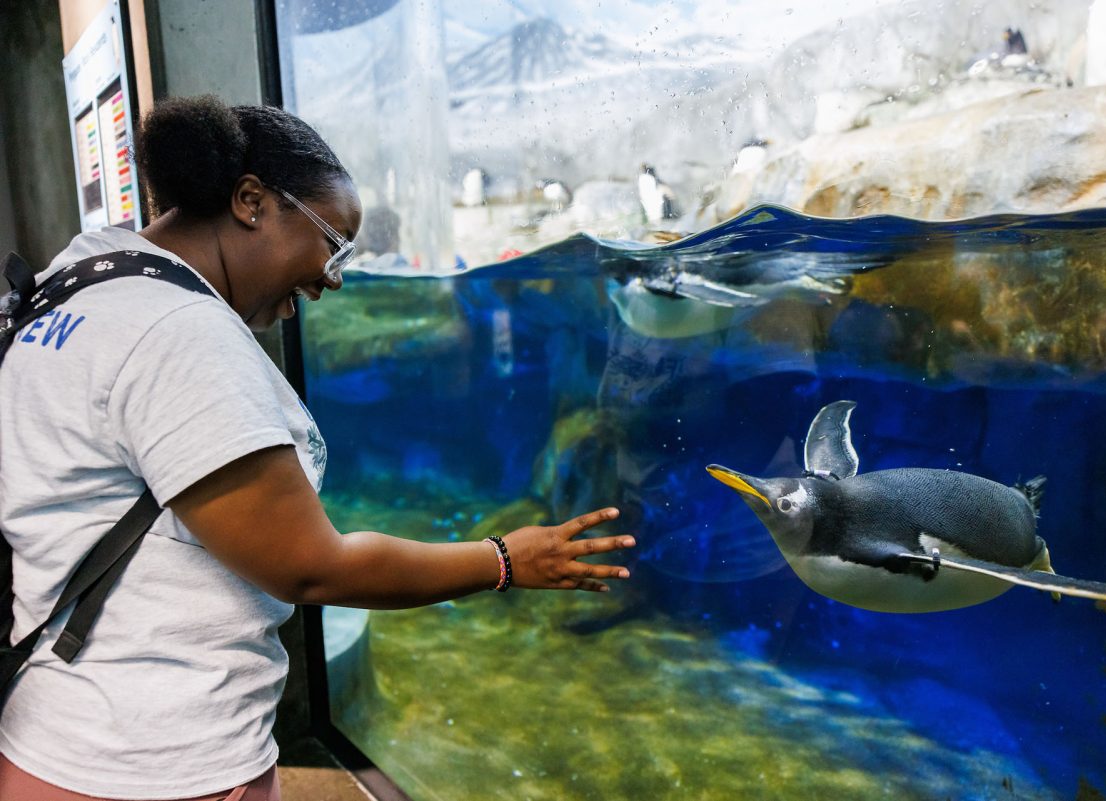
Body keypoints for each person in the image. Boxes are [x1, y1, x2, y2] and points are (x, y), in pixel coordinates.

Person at [0, 95, 634, 800]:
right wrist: (506, 560)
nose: (332, 279)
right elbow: (311, 567)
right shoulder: (180, 333)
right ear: (251, 202)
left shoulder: (75, 283)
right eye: (334, 244)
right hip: (157, 757)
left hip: (54, 741)